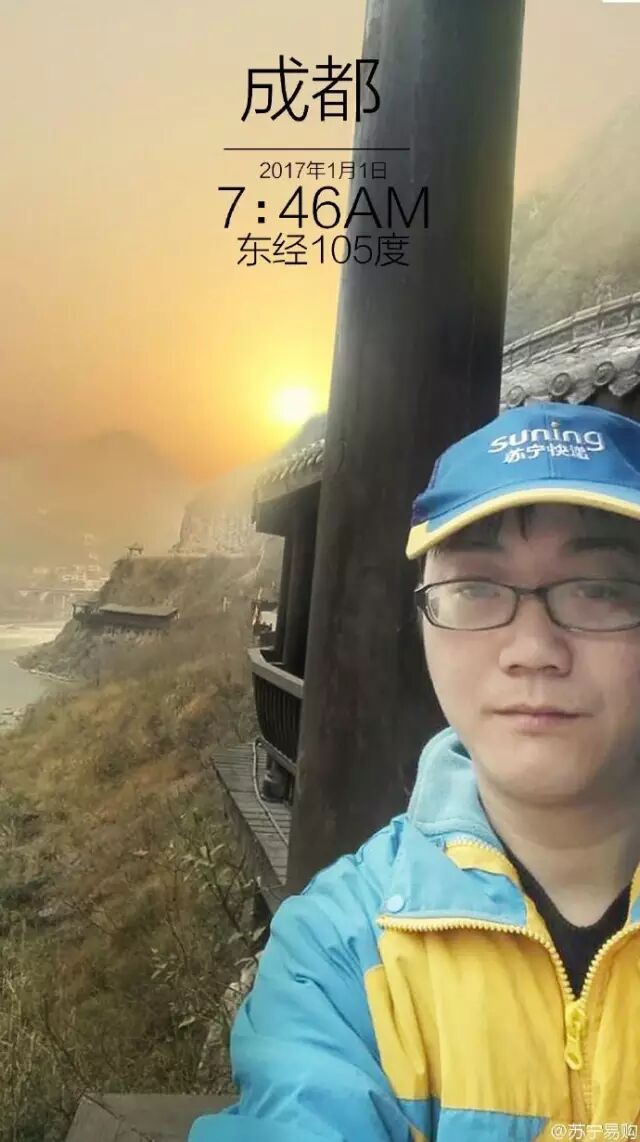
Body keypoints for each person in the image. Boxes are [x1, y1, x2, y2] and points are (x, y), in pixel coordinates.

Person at [189, 401, 640, 1141]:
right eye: (476, 589)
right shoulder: (337, 955)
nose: (533, 650)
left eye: (599, 589)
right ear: (426, 619)